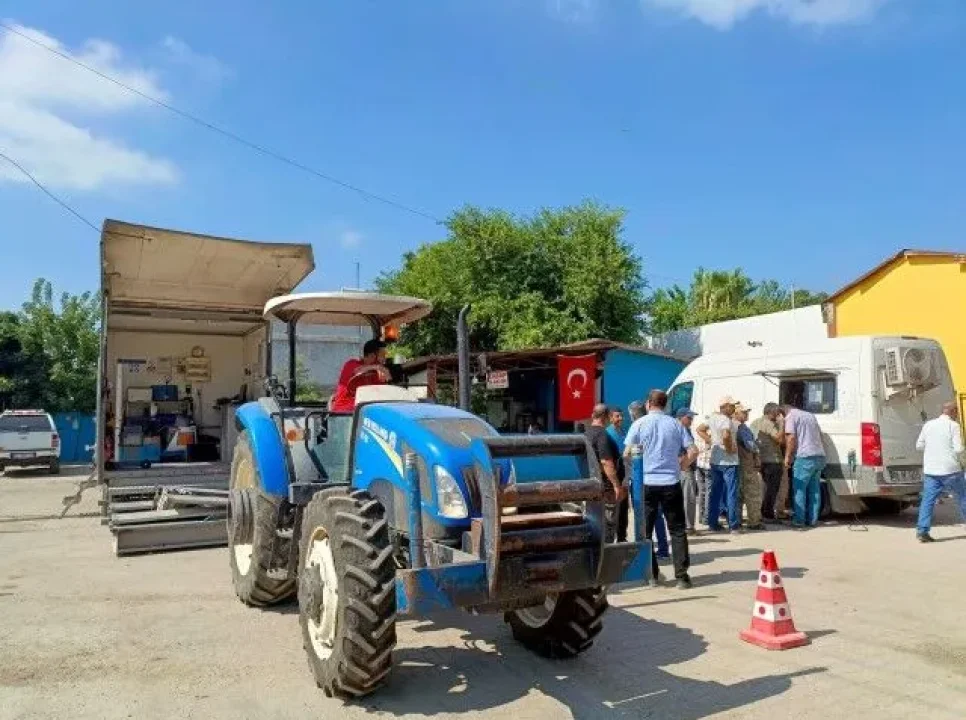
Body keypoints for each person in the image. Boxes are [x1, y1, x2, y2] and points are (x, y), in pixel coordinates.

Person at [624, 389, 696, 589]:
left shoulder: (639, 424)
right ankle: (682, 576)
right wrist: (682, 466)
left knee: (645, 531)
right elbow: (693, 450)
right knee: (677, 529)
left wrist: (637, 469)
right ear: (665, 404)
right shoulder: (675, 424)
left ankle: (652, 575)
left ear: (648, 403)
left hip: (646, 483)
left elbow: (627, 453)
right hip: (670, 482)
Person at [914, 401, 966, 543]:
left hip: (931, 470)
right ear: (953, 412)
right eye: (957, 412)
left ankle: (922, 531)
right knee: (963, 498)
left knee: (927, 501)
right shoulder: (953, 426)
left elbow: (919, 446)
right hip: (951, 470)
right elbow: (958, 449)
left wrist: (933, 447)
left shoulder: (928, 425)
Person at [627, 401, 670, 557]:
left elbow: (628, 453)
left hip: (642, 479)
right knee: (657, 515)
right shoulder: (658, 425)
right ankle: (663, 548)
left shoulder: (637, 427)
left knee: (643, 515)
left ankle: (644, 551)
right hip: (659, 477)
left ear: (633, 415)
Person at [584, 404, 626, 543]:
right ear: (606, 417)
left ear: (593, 415)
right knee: (609, 522)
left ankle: (596, 547)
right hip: (606, 488)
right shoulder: (602, 435)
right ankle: (607, 550)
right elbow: (606, 462)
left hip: (591, 484)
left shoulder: (586, 434)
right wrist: (616, 485)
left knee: (593, 520)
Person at [783, 401, 827, 529]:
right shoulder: (810, 415)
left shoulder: (791, 416)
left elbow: (791, 438)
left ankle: (799, 520)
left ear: (783, 412)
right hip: (819, 455)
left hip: (804, 457)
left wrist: (787, 457)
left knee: (799, 489)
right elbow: (820, 435)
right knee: (814, 490)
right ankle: (812, 520)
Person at [702, 396, 741, 533]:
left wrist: (711, 441)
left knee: (715, 492)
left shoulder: (712, 418)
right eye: (732, 406)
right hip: (729, 461)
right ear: (725, 406)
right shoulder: (725, 420)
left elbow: (700, 429)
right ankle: (733, 525)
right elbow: (726, 435)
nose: (734, 408)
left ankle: (712, 523)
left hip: (715, 460)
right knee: (731, 492)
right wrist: (729, 449)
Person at [329, 339, 390, 413]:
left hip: (364, 413)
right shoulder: (351, 364)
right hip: (343, 413)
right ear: (372, 356)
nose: (385, 359)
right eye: (383, 355)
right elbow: (358, 371)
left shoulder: (377, 374)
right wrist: (377, 367)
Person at [752, 403, 785, 522]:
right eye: (777, 413)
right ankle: (768, 514)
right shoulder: (768, 424)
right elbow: (779, 439)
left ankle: (761, 512)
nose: (779, 415)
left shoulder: (755, 422)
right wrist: (782, 424)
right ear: (771, 412)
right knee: (772, 489)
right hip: (773, 460)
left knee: (764, 488)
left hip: (761, 459)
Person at [734, 403, 764, 530]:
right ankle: (754, 521)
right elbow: (750, 445)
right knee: (752, 493)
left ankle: (737, 520)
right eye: (744, 412)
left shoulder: (733, 426)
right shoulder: (741, 428)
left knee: (738, 494)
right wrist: (757, 450)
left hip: (737, 463)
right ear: (736, 413)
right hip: (746, 464)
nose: (747, 414)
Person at [606, 407, 630, 542]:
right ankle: (610, 538)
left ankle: (622, 536)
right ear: (610, 418)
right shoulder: (607, 434)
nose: (620, 418)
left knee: (624, 507)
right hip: (614, 476)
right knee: (613, 509)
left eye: (621, 416)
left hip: (624, 475)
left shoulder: (624, 432)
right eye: (617, 416)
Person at [676, 408, 699, 534]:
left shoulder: (681, 429)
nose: (691, 420)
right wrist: (685, 465)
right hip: (685, 467)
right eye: (689, 418)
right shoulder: (682, 430)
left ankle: (682, 525)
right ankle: (688, 527)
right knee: (688, 498)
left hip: (678, 467)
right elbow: (692, 451)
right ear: (681, 417)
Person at [692, 415, 713, 528]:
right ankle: (707, 518)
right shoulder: (709, 433)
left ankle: (701, 516)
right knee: (708, 491)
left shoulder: (698, 432)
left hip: (700, 463)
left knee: (702, 491)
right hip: (708, 464)